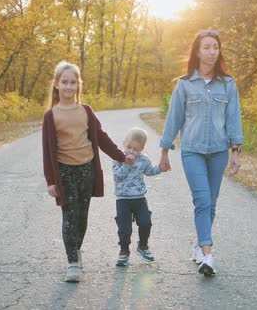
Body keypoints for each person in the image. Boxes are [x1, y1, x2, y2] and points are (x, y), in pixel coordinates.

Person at [158, 30, 244, 276]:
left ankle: (198, 245)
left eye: (215, 47)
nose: (212, 51)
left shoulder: (228, 84)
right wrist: (164, 150)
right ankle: (208, 255)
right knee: (203, 200)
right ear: (197, 51)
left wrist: (235, 151)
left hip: (218, 151)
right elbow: (174, 118)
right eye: (206, 47)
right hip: (192, 151)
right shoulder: (185, 84)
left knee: (211, 203)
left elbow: (233, 119)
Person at [42, 61, 135, 283]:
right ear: (56, 84)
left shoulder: (86, 111)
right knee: (69, 215)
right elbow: (47, 150)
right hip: (64, 172)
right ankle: (72, 262)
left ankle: (76, 249)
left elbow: (101, 138)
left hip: (86, 169)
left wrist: (122, 156)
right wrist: (50, 181)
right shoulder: (51, 115)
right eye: (64, 82)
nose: (68, 86)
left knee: (82, 217)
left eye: (73, 82)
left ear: (78, 85)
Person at [112, 127, 167, 267]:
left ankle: (143, 246)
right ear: (124, 143)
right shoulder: (118, 158)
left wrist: (160, 168)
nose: (131, 151)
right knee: (124, 228)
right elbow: (118, 177)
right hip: (123, 199)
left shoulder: (143, 160)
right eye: (128, 147)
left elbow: (149, 171)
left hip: (139, 199)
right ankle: (124, 251)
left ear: (142, 149)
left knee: (146, 222)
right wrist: (126, 164)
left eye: (135, 149)